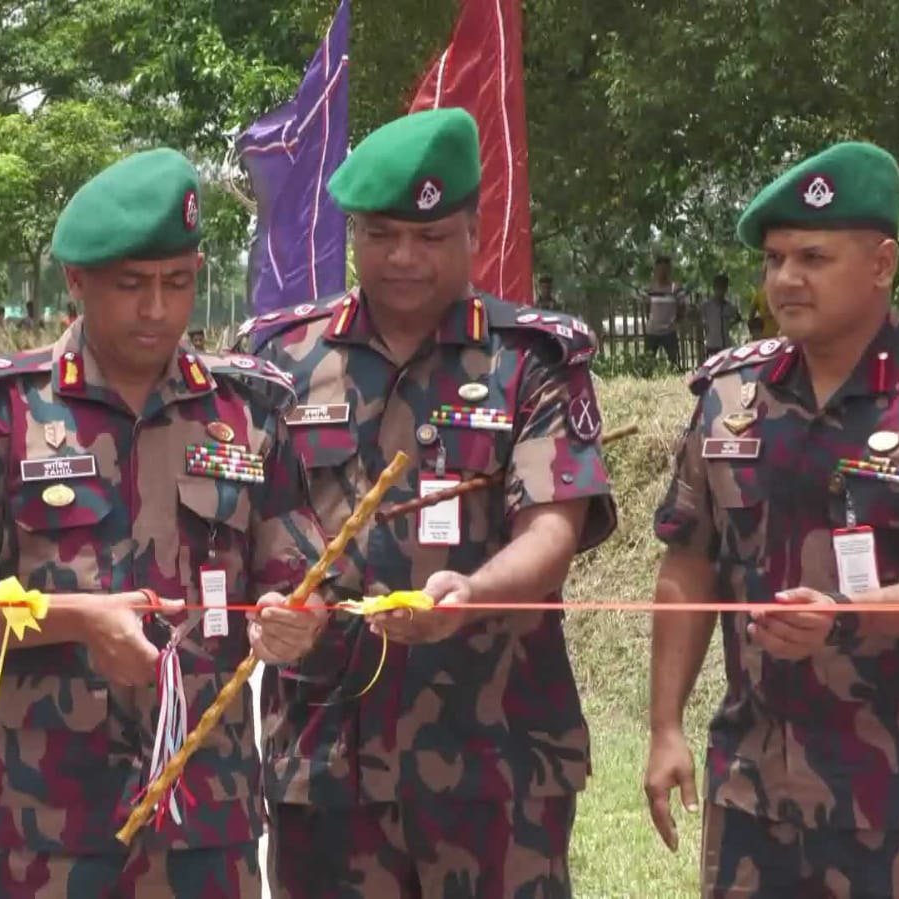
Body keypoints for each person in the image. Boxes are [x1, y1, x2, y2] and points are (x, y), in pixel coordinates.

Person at [0, 147, 330, 898]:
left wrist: (297, 619)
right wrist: (76, 620)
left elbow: (300, 577)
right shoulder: (1, 411)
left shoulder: (248, 411)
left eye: (177, 283)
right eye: (131, 286)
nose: (156, 309)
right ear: (77, 281)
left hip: (204, 817)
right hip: (38, 821)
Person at [238, 108, 618, 898]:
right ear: (352, 233)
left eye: (431, 235)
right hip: (326, 756)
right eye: (380, 235)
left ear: (473, 231)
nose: (404, 257)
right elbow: (249, 529)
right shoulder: (281, 362)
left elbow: (553, 525)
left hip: (497, 754)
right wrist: (276, 605)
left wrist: (471, 594)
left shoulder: (530, 361)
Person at [646, 141, 899, 898]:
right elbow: (687, 562)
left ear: (880, 264)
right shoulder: (729, 398)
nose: (785, 278)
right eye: (775, 258)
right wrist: (664, 727)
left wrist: (846, 615)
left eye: (812, 257)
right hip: (752, 781)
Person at [643, 255, 685, 369]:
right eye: (660, 270)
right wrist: (651, 321)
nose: (662, 273)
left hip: (669, 331)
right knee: (647, 365)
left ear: (669, 270)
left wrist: (676, 322)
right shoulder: (650, 288)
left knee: (674, 363)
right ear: (655, 271)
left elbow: (682, 306)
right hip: (652, 331)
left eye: (665, 270)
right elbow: (647, 306)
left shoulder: (675, 288)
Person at [699, 273, 743, 355]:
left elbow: (738, 317)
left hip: (725, 344)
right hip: (712, 343)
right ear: (714, 287)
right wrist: (704, 325)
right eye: (719, 287)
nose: (721, 290)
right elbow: (695, 317)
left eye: (724, 287)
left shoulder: (729, 307)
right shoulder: (706, 306)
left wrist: (730, 325)